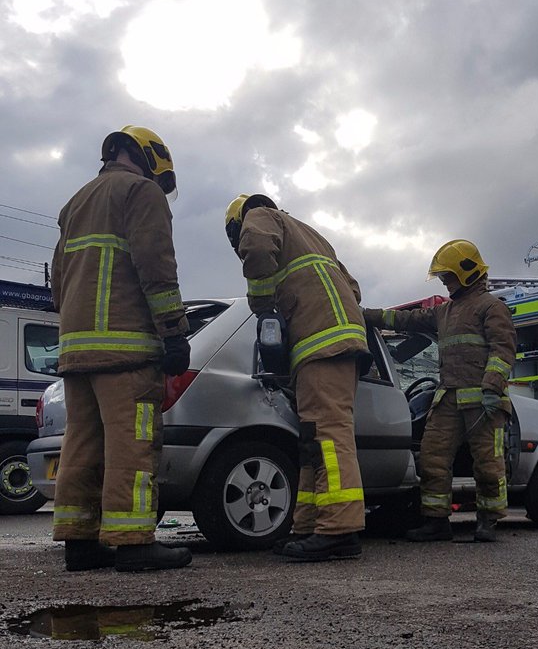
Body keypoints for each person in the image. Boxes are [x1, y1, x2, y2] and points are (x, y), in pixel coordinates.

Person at [51, 125, 192, 572]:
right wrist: (173, 331)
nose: (160, 190)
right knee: (134, 442)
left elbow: (59, 283)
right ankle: (133, 542)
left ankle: (79, 542)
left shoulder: (75, 203)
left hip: (76, 350)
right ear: (151, 159)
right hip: (126, 347)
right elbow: (156, 266)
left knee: (82, 445)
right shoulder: (139, 193)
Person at [225, 194, 368, 562]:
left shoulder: (258, 215)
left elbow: (256, 248)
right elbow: (353, 289)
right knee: (312, 442)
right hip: (336, 344)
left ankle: (339, 530)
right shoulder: (312, 236)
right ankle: (308, 524)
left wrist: (263, 307)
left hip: (321, 345)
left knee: (328, 435)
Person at [363, 239, 516, 543]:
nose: (446, 283)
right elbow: (406, 319)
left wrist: (491, 387)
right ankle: (436, 522)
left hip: (482, 401)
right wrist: (367, 314)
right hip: (448, 399)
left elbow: (503, 351)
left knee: (488, 464)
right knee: (433, 460)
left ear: (468, 272)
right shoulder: (444, 312)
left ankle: (488, 521)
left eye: (449, 276)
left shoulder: (492, 307)